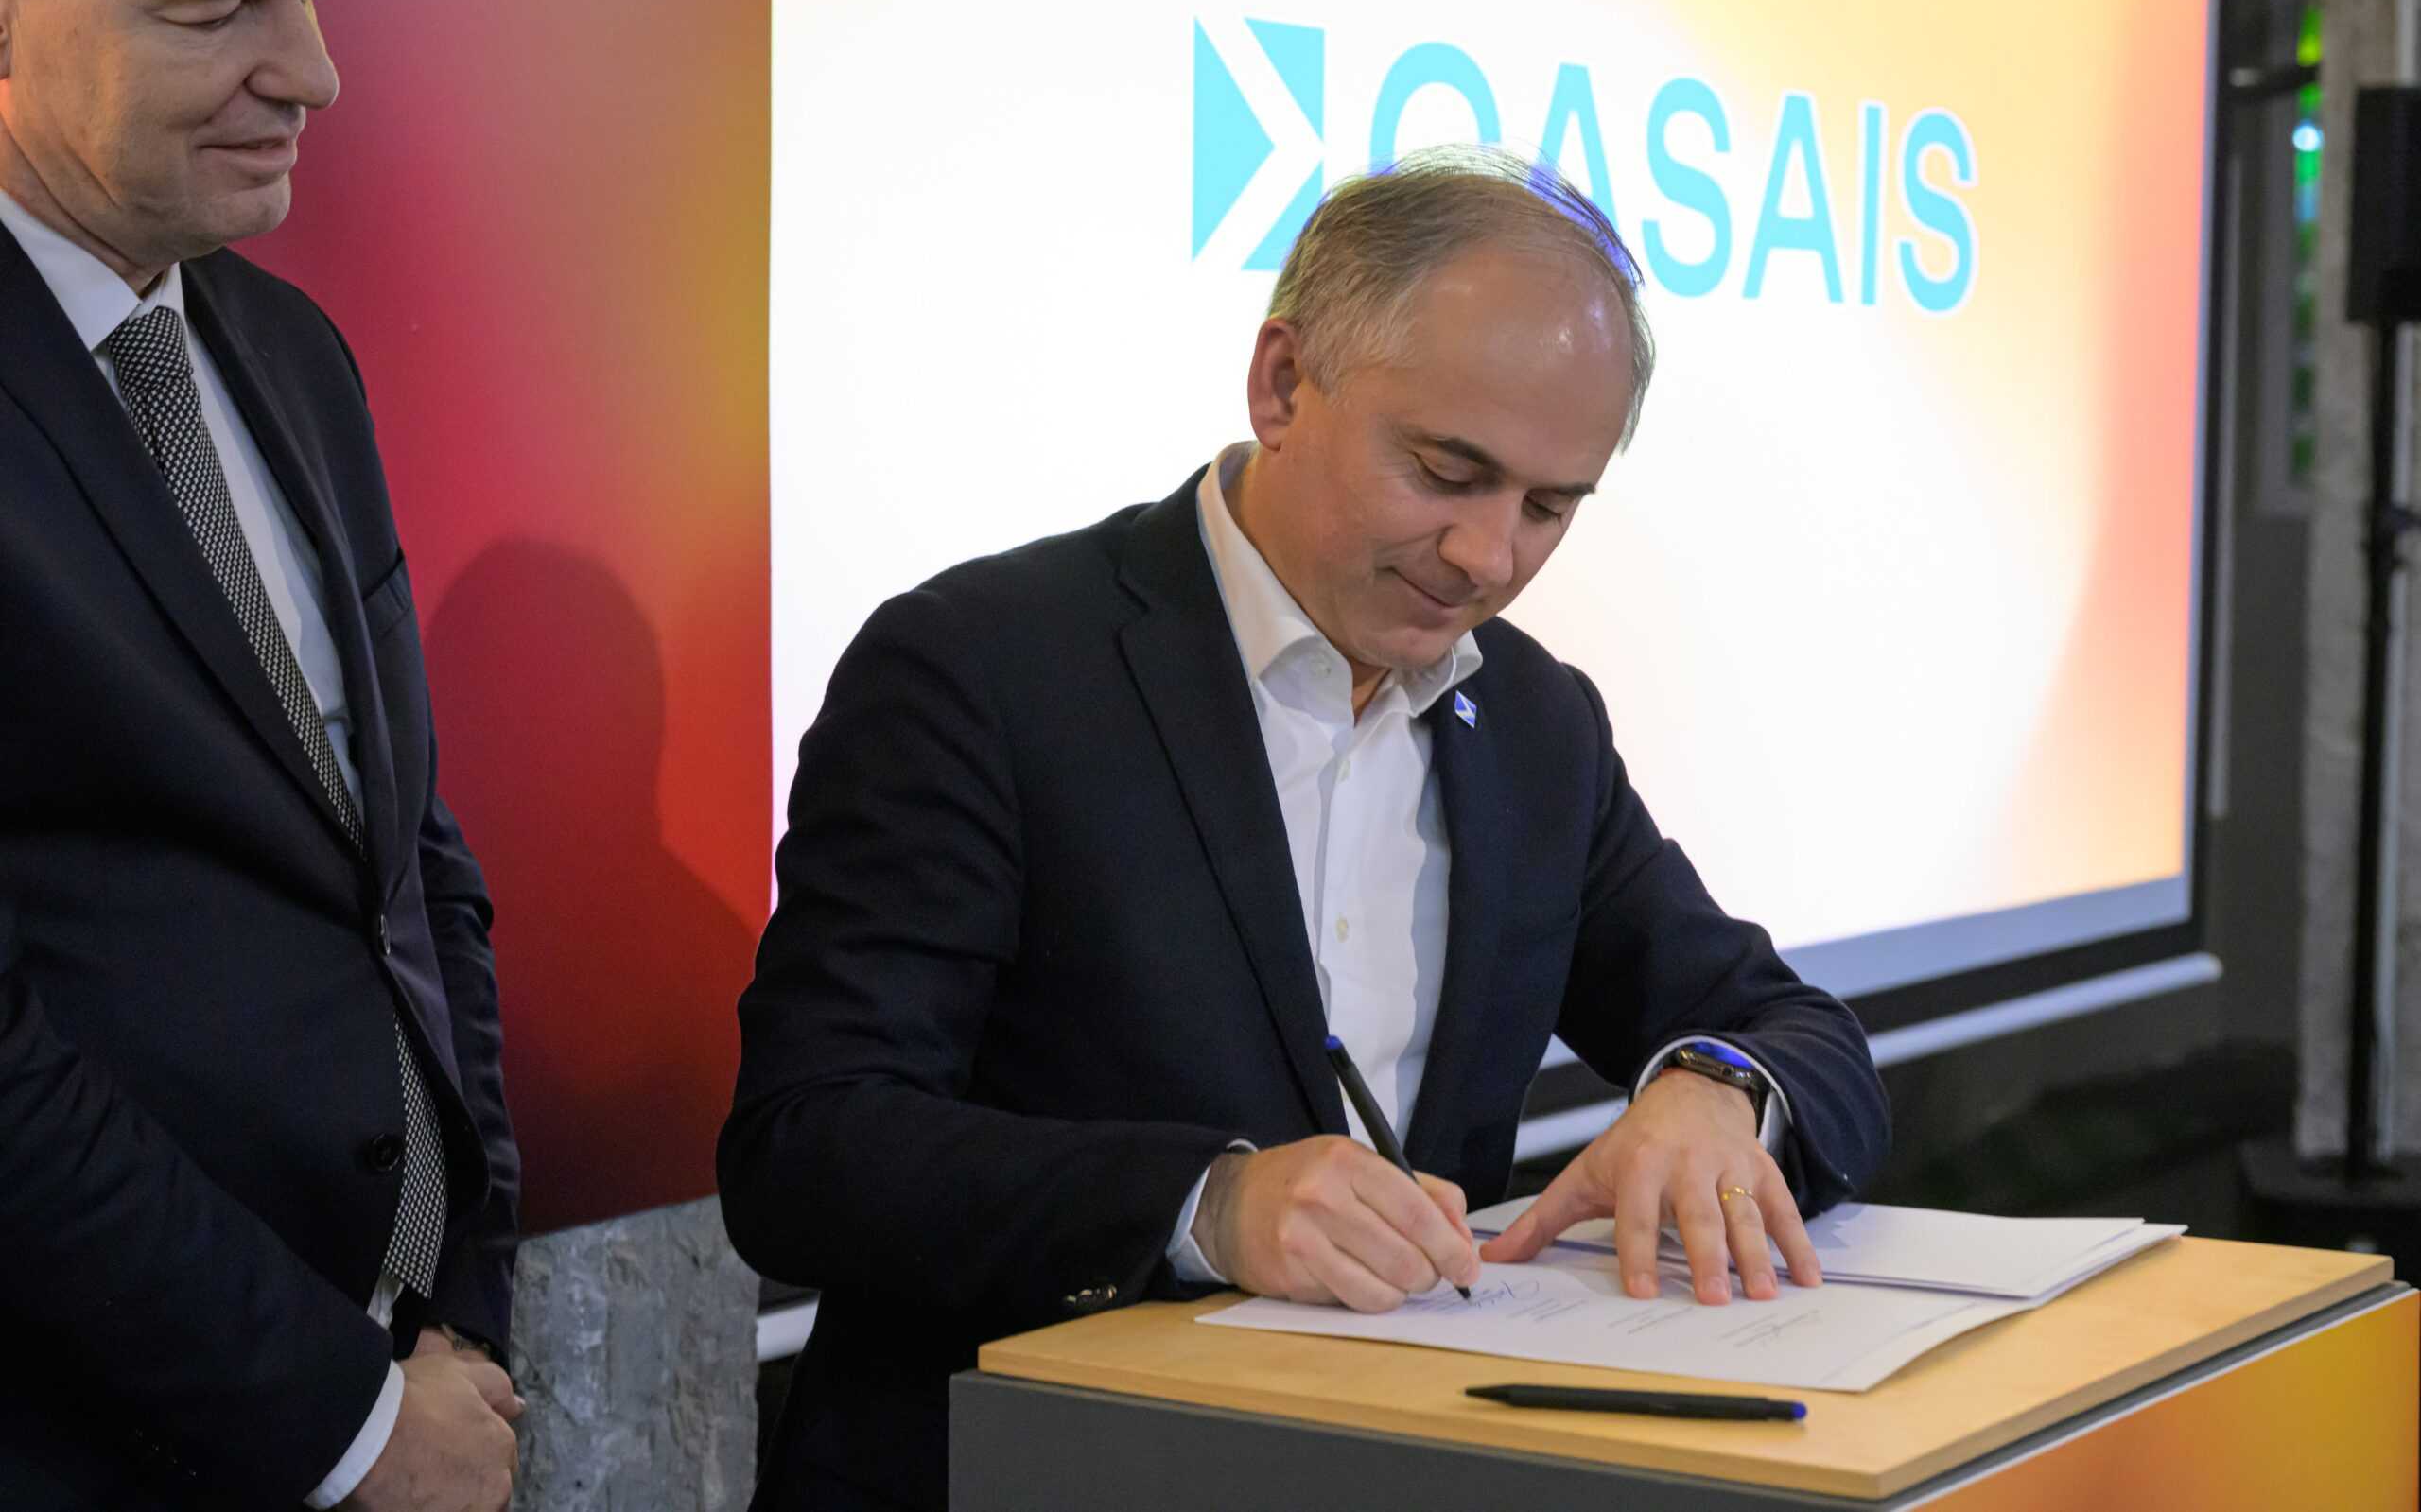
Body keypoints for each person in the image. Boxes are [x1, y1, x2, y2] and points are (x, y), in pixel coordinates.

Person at [721, 146, 1890, 1512]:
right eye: (1446, 471)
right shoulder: (982, 670)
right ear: (1283, 383)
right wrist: (1209, 1205)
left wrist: (1714, 1086)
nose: (1489, 557)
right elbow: (807, 1151)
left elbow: (1795, 1030)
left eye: (1547, 508)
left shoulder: (1535, 724)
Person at [0, 0, 520, 1507]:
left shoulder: (291, 350)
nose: (312, 71)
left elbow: (410, 865)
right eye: (218, 10)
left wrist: (464, 1295)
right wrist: (342, 1421)